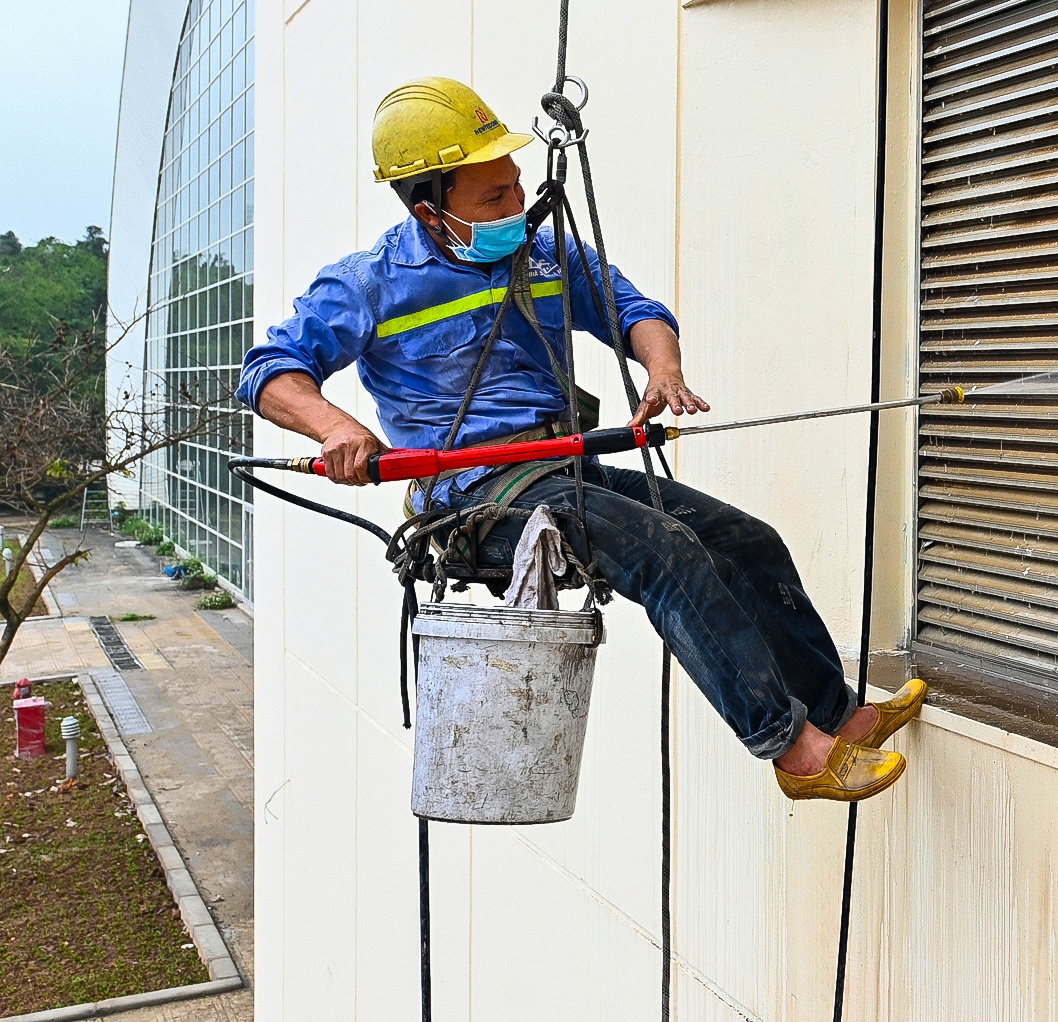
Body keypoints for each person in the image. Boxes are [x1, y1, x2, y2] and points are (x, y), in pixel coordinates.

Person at [237, 77, 923, 801]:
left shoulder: (544, 254)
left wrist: (661, 364)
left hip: (564, 466)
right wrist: (337, 425)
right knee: (668, 555)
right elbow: (270, 372)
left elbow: (633, 308)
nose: (515, 206)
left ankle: (839, 716)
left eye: (514, 185)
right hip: (479, 497)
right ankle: (793, 750)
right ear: (430, 212)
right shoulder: (368, 284)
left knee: (749, 542)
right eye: (493, 198)